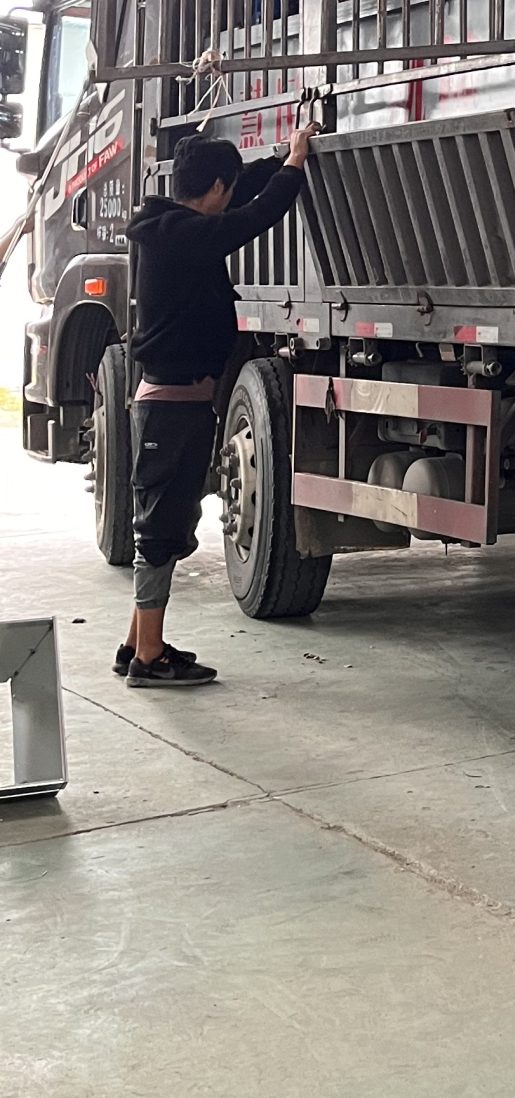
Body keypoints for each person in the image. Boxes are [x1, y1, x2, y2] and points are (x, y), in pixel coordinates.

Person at [119, 129, 313, 686]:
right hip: (171, 407)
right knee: (160, 530)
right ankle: (148, 659)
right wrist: (294, 167)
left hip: (173, 403)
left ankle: (137, 645)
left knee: (169, 524)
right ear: (217, 188)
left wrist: (277, 160)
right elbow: (254, 216)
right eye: (228, 187)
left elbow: (241, 196)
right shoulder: (185, 236)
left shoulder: (168, 226)